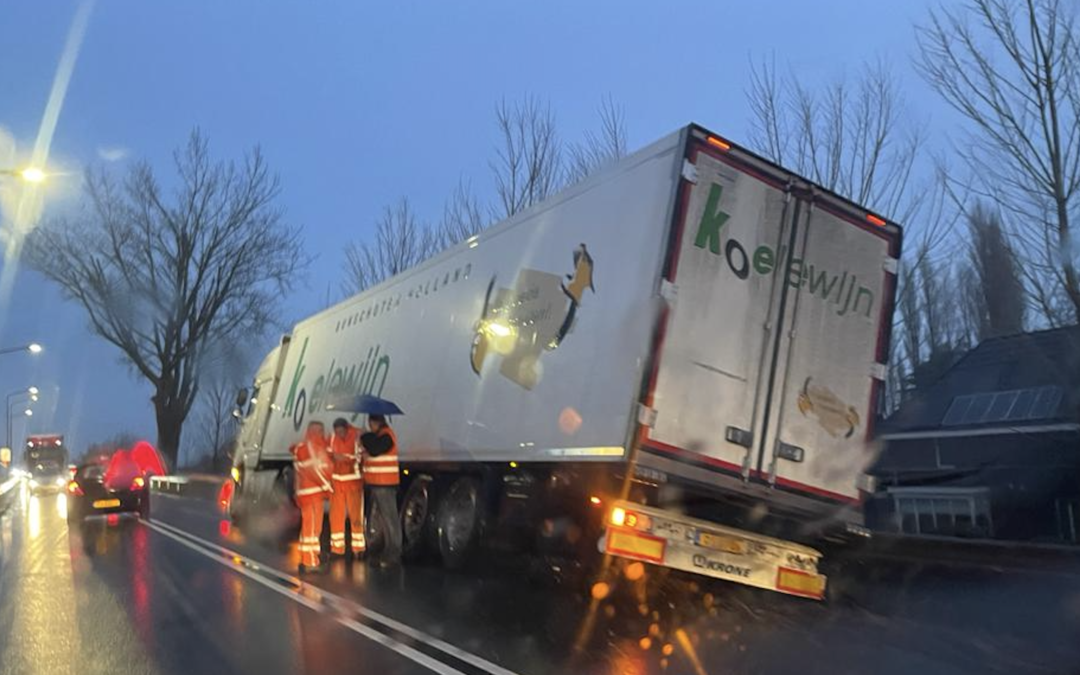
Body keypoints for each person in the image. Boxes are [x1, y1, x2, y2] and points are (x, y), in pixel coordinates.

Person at [291, 421, 333, 573]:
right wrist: (328, 488)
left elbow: (300, 472)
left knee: (310, 528)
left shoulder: (303, 448)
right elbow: (315, 471)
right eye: (320, 431)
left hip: (308, 493)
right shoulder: (309, 448)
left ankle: (307, 558)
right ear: (313, 431)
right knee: (312, 529)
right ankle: (310, 562)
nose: (322, 433)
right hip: (313, 493)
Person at [360, 413, 401, 566]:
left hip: (385, 483)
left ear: (375, 422)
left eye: (371, 424)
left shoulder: (386, 436)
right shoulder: (382, 436)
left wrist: (365, 436)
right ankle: (388, 550)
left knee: (390, 519)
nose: (370, 426)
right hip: (378, 483)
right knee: (385, 519)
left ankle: (393, 552)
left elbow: (376, 449)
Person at [328, 417, 365, 557]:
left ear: (346, 428)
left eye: (342, 432)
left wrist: (345, 459)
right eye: (337, 432)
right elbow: (327, 454)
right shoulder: (332, 438)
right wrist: (333, 457)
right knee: (336, 517)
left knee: (356, 517)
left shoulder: (357, 436)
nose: (339, 435)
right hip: (337, 483)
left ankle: (358, 549)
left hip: (354, 482)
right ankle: (337, 549)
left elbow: (362, 456)